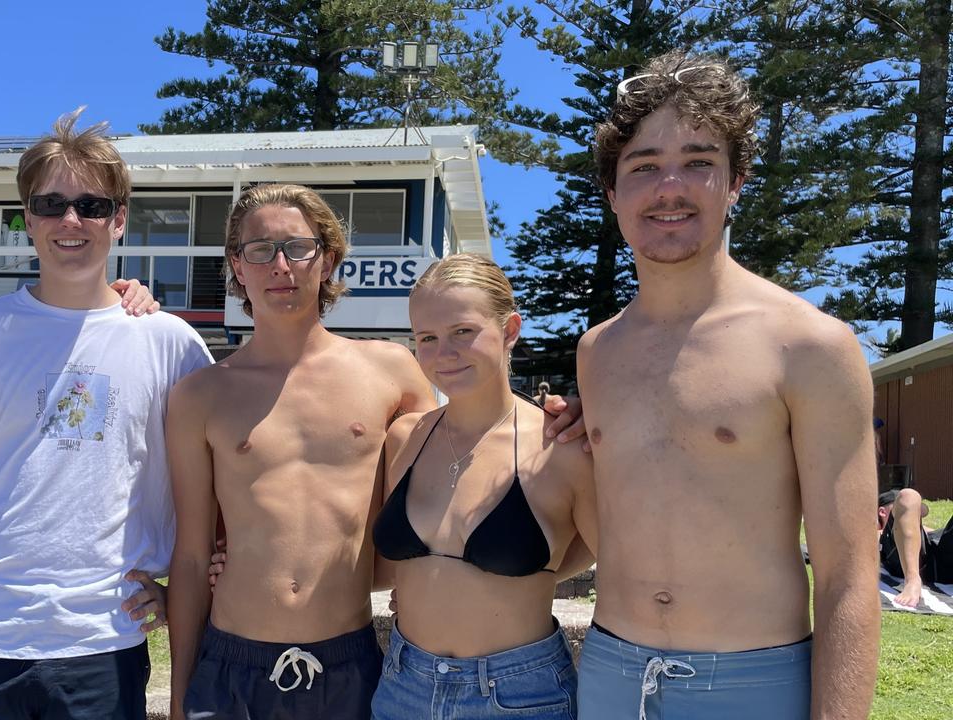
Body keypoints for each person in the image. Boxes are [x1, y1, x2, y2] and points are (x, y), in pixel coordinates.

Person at [166, 185, 585, 720]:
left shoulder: (389, 370)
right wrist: (179, 697)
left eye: (298, 247)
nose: (280, 266)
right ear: (236, 266)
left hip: (350, 661)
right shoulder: (200, 395)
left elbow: (470, 448)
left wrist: (559, 416)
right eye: (259, 249)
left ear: (329, 259)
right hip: (232, 662)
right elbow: (192, 555)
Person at [574, 50, 880, 719]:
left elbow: (846, 578)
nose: (670, 186)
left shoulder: (809, 344)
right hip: (610, 674)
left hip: (755, 685)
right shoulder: (597, 352)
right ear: (613, 192)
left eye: (699, 162)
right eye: (645, 166)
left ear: (736, 181)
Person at [0, 109, 211, 720]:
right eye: (51, 203)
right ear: (27, 218)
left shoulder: (170, 345)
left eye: (92, 205)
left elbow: (216, 494)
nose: (71, 220)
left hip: (104, 645)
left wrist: (181, 592)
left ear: (119, 220)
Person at [371, 253, 596, 720]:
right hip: (403, 685)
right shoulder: (404, 439)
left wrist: (537, 571)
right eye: (427, 338)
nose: (443, 353)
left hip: (520, 695)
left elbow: (607, 555)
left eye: (463, 332)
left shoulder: (562, 447)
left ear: (510, 330)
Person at [878, 488, 953, 607]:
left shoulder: (922, 531)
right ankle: (912, 580)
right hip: (913, 561)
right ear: (882, 512)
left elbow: (923, 514)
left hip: (942, 558)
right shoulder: (877, 533)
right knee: (908, 495)